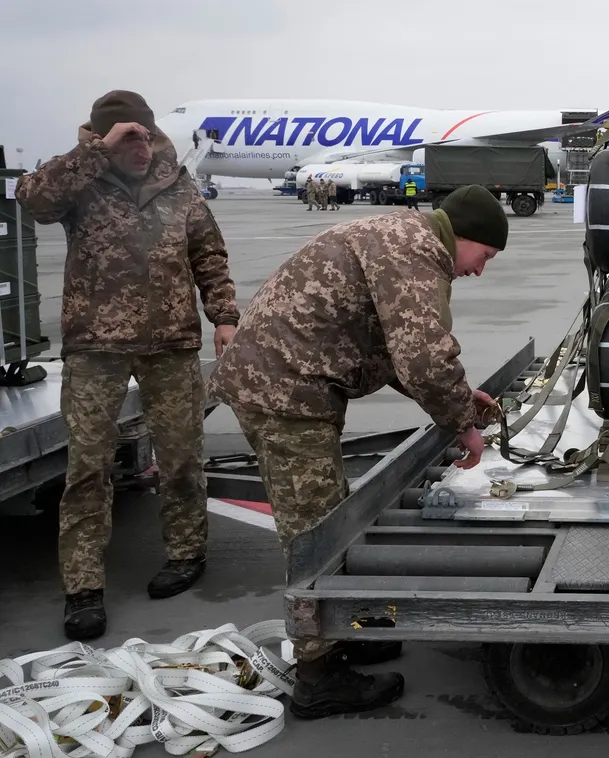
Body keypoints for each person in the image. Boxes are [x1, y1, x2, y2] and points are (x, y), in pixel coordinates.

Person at [207, 184, 506, 718]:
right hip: (284, 391)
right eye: (485, 256)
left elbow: (394, 353)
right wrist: (463, 421)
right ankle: (319, 675)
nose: (480, 270)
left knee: (329, 515)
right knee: (314, 532)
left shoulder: (402, 236)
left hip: (285, 382)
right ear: (465, 237)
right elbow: (422, 354)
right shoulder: (414, 250)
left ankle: (346, 634)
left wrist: (463, 401)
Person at [15, 90, 239, 641]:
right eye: (128, 138)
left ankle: (187, 554)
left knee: (183, 457)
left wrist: (225, 317)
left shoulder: (177, 182)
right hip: (96, 348)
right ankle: (84, 586)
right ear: (105, 140)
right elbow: (32, 202)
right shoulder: (78, 180)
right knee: (88, 468)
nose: (142, 147)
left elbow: (207, 251)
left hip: (171, 343)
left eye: (146, 135)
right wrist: (95, 152)